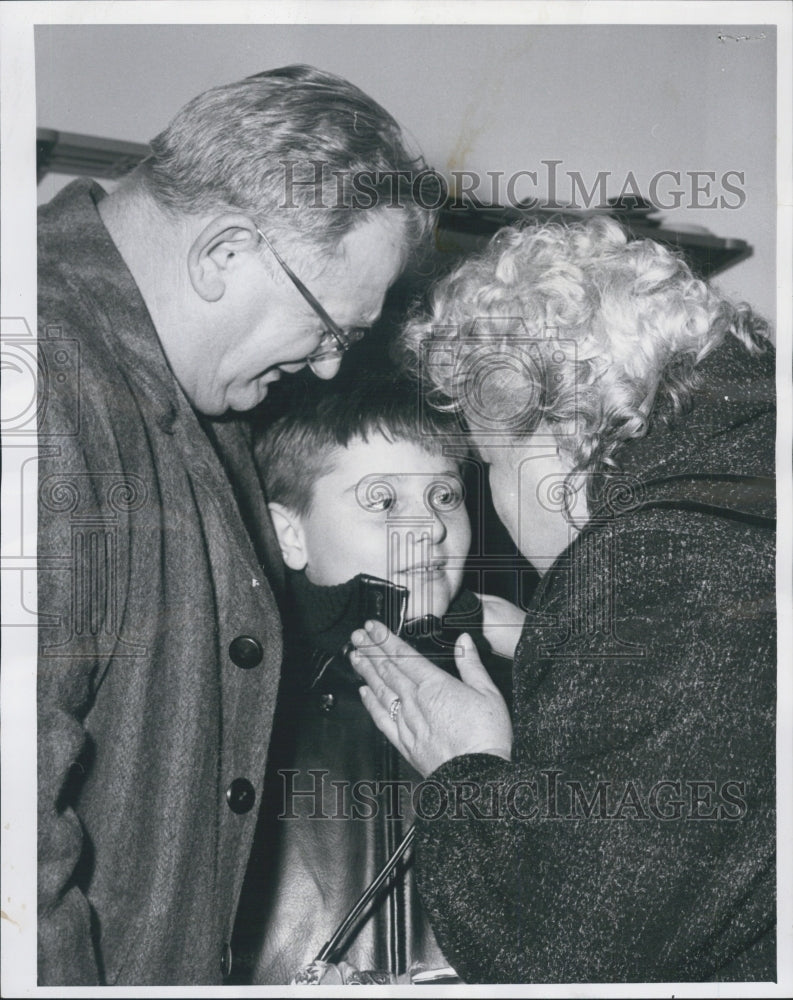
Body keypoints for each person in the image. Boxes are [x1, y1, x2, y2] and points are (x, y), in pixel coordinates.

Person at [37, 64, 432, 985]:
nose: (331, 371)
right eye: (332, 329)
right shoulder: (38, 378)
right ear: (224, 253)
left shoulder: (189, 394)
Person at [349, 218, 775, 982]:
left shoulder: (656, 561)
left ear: (559, 435)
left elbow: (560, 954)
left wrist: (466, 768)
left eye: (485, 465)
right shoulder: (747, 495)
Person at [230, 366, 520, 984]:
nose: (431, 528)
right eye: (383, 500)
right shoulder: (240, 702)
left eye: (444, 496)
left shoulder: (532, 683)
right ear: (291, 533)